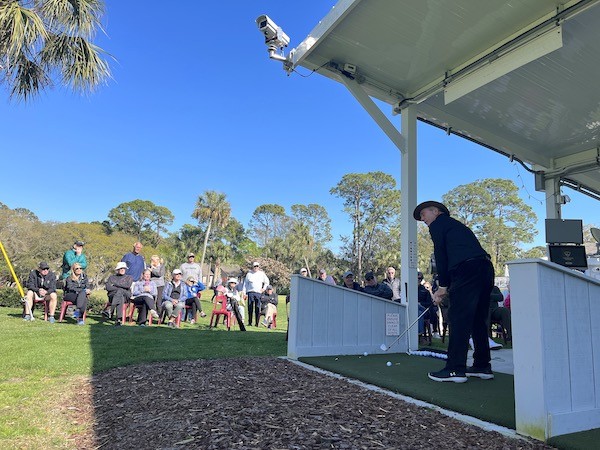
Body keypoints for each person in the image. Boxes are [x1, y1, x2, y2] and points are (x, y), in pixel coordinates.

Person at [414, 200, 494, 383]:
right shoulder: (456, 226)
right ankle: (483, 365)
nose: (422, 218)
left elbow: (441, 256)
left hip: (467, 270)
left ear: (436, 211)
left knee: (458, 318)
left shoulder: (438, 225)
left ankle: (455, 369)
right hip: (485, 268)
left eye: (423, 214)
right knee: (477, 319)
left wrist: (442, 286)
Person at [105, 261, 134, 326]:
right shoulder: (112, 277)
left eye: (124, 268)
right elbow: (108, 287)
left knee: (120, 293)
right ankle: (118, 319)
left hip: (126, 295)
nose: (122, 270)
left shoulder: (128, 277)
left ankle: (110, 309)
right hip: (113, 296)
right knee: (120, 295)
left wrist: (115, 284)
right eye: (121, 268)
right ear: (117, 269)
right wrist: (120, 288)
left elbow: (127, 285)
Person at [242, 261, 269, 327]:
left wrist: (264, 288)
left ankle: (257, 323)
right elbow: (245, 284)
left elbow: (267, 282)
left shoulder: (261, 274)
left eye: (257, 266)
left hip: (258, 293)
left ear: (259, 267)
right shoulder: (249, 274)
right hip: (250, 292)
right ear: (253, 267)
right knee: (250, 308)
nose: (256, 267)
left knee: (257, 308)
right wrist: (244, 293)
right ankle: (250, 322)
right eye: (255, 266)